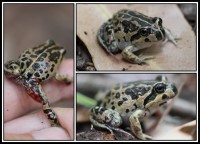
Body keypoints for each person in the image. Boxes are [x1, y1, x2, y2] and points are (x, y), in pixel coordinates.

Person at [4, 59, 74, 140]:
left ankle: (54, 123)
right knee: (45, 102)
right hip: (32, 81)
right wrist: (68, 80)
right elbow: (59, 77)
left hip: (26, 75)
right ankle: (54, 123)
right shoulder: (55, 70)